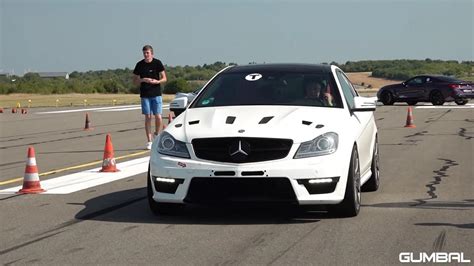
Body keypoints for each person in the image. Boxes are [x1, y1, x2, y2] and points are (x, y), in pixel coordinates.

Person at [133, 45, 167, 150]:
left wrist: (157, 81)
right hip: (145, 94)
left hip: (156, 93)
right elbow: (134, 81)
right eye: (144, 53)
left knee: (158, 116)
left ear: (152, 53)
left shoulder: (157, 63)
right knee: (148, 117)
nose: (146, 55)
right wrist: (143, 80)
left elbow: (164, 78)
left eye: (147, 53)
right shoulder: (139, 65)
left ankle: (157, 133)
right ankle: (149, 140)